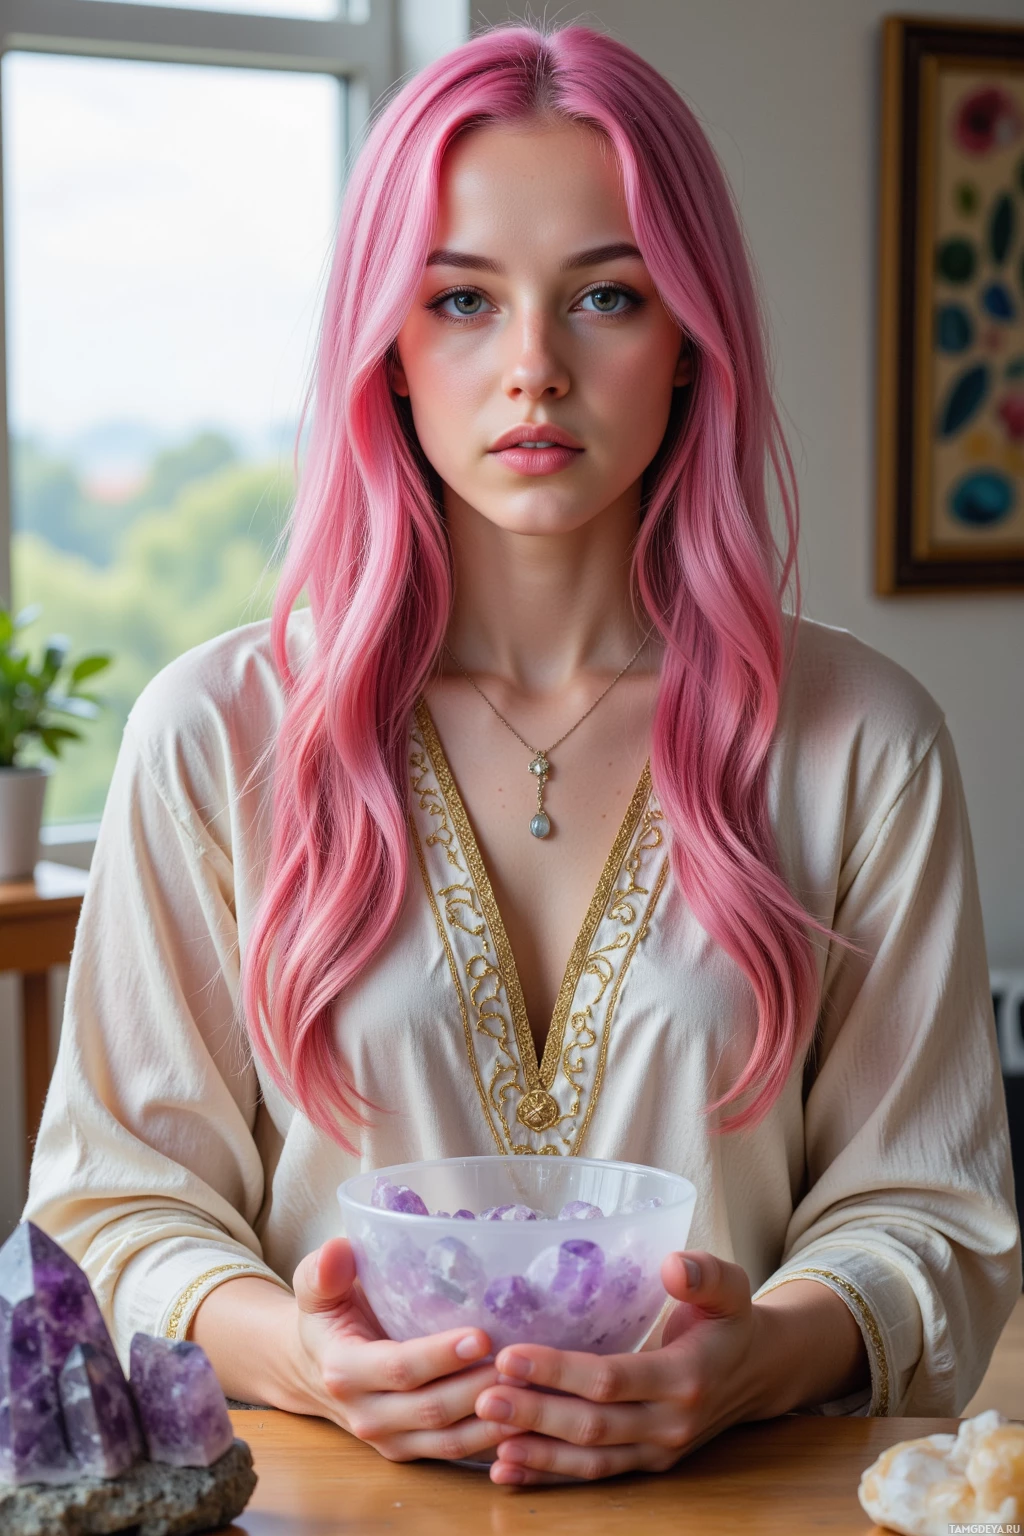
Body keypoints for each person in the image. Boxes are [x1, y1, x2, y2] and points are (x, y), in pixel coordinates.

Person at [23, 20, 1021, 1488]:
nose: (535, 369)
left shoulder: (861, 741)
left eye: (606, 296)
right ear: (388, 345)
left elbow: (930, 1214)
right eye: (464, 301)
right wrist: (309, 1358)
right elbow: (114, 1210)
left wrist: (755, 1359)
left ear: (690, 341)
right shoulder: (218, 734)